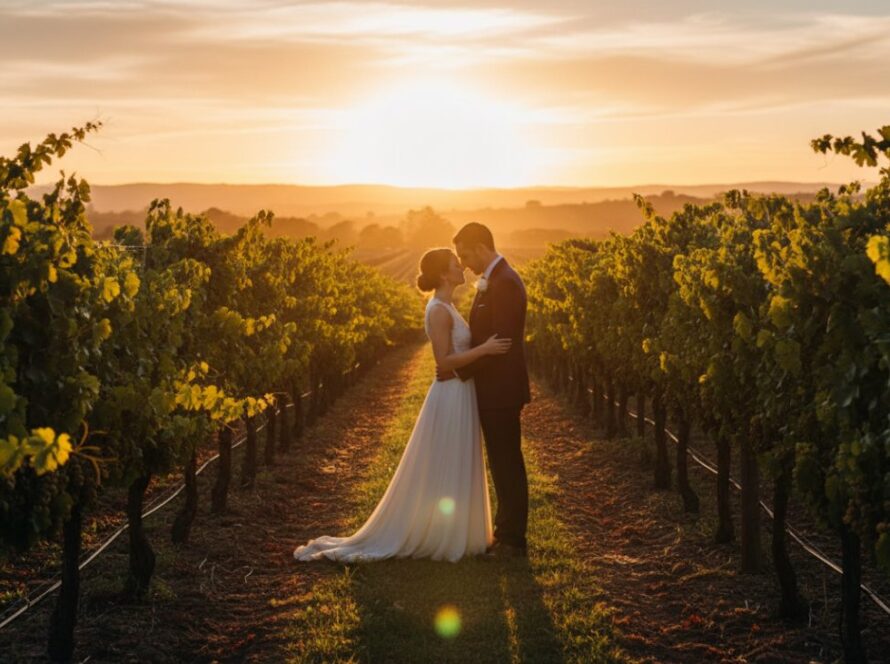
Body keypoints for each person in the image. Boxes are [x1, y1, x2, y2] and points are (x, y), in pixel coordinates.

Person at [293, 248, 510, 563]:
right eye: (455, 264)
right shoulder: (438, 310)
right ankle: (444, 536)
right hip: (451, 393)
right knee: (447, 460)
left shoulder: (447, 305)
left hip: (460, 392)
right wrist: (486, 350)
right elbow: (444, 361)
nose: (461, 266)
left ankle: (458, 532)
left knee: (455, 458)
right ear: (444, 274)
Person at [438, 222, 531, 558]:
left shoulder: (504, 282)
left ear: (480, 247)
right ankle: (506, 533)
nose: (463, 263)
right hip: (495, 388)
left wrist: (459, 368)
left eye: (465, 254)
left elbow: (502, 344)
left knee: (507, 464)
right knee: (501, 462)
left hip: (502, 390)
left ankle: (513, 540)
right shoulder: (495, 279)